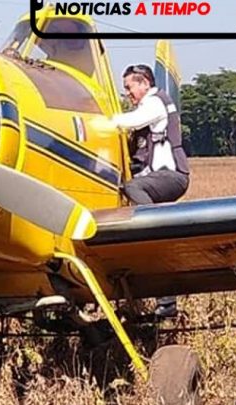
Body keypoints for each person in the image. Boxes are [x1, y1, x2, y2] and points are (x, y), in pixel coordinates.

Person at [90, 64, 190, 318]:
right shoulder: (149, 104)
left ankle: (149, 225)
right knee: (143, 242)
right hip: (158, 179)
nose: (127, 94)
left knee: (133, 189)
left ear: (144, 83)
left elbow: (128, 121)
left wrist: (95, 124)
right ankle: (163, 298)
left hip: (172, 177)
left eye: (129, 88)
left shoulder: (154, 103)